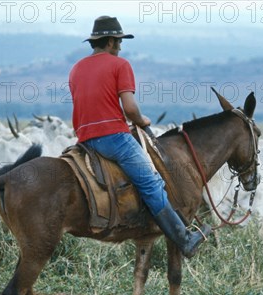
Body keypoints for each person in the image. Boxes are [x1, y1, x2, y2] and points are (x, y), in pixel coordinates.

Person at [69, 16, 211, 258]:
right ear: (112, 41)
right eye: (119, 41)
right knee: (151, 182)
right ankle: (184, 239)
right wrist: (142, 121)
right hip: (114, 138)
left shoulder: (76, 68)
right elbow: (130, 109)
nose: (121, 47)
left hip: (84, 139)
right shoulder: (120, 65)